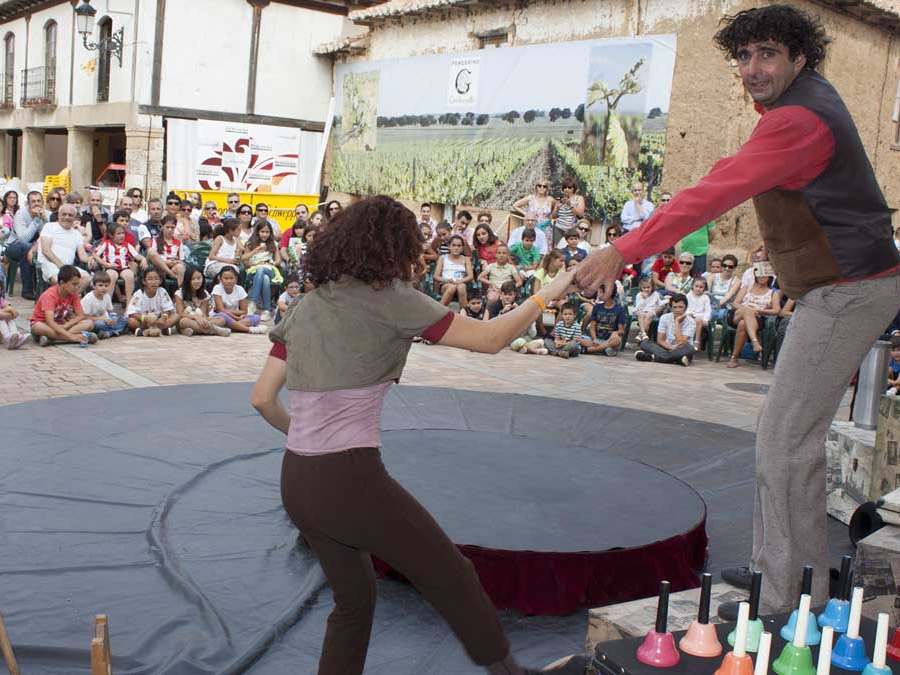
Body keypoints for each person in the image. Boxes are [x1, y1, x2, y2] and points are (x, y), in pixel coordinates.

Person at [573, 4, 900, 613]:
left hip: (849, 289)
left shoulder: (798, 120)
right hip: (838, 287)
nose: (753, 68)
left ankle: (788, 598)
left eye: (768, 54)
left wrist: (623, 249)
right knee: (784, 436)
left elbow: (713, 191)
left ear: (800, 58)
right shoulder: (797, 104)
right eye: (744, 56)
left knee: (785, 440)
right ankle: (780, 570)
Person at [249, 195, 582, 675]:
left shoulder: (305, 306)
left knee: (354, 600)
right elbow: (491, 339)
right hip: (348, 478)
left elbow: (262, 398)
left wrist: (306, 439)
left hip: (296, 479)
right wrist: (549, 291)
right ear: (392, 247)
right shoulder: (392, 300)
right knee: (453, 575)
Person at [30, 264, 97, 347]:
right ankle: (72, 338)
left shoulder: (73, 294)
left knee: (89, 323)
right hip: (45, 324)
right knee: (38, 327)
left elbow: (80, 315)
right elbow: (50, 321)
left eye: (78, 284)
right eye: (74, 284)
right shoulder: (49, 295)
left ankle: (53, 339)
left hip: (62, 324)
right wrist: (72, 337)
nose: (76, 287)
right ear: (62, 283)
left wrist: (67, 325)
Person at [726, 265, 781, 367]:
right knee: (747, 311)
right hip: (738, 315)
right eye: (759, 274)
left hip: (757, 318)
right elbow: (736, 303)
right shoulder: (747, 288)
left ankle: (734, 358)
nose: (761, 277)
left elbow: (777, 310)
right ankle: (755, 341)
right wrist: (748, 310)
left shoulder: (773, 293)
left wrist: (759, 310)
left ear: (769, 276)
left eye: (764, 274)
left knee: (743, 324)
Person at [39, 204, 92, 290]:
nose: (67, 217)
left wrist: (90, 259)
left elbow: (82, 255)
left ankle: (70, 300)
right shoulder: (49, 227)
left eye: (70, 215)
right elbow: (46, 250)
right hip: (51, 264)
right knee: (58, 280)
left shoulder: (76, 233)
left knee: (87, 278)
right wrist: (61, 266)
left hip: (68, 267)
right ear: (59, 215)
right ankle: (65, 301)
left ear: (75, 218)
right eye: (64, 214)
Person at [636, 292, 697, 365]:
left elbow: (681, 343)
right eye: (675, 307)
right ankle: (676, 359)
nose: (677, 310)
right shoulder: (664, 318)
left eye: (680, 307)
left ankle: (652, 357)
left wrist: (677, 323)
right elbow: (660, 340)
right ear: (671, 308)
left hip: (682, 349)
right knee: (645, 343)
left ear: (686, 308)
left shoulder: (691, 322)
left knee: (689, 349)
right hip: (667, 347)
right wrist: (671, 348)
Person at [5, 190, 46, 299]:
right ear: (28, 204)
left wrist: (44, 220)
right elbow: (23, 239)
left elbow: (46, 235)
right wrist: (37, 219)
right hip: (14, 246)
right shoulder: (21, 214)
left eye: (38, 201)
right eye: (33, 201)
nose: (36, 204)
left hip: (35, 245)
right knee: (27, 248)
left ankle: (44, 288)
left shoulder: (44, 214)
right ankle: (27, 291)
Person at [241, 220, 283, 321]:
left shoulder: (273, 244)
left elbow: (278, 261)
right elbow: (244, 260)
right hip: (253, 271)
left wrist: (270, 263)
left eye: (267, 232)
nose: (265, 234)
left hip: (269, 269)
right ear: (257, 232)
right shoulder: (251, 244)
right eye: (262, 232)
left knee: (262, 270)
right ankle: (266, 310)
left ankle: (252, 302)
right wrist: (255, 251)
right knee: (264, 279)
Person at [92, 222, 141, 303]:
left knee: (129, 275)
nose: (122, 235)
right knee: (111, 276)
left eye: (123, 233)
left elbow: (136, 256)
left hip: (123, 267)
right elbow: (95, 254)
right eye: (118, 234)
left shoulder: (127, 245)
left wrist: (143, 259)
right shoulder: (106, 243)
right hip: (110, 267)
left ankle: (129, 304)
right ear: (111, 235)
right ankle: (107, 304)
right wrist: (106, 264)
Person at [175, 266, 231, 337]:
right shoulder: (179, 293)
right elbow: (180, 313)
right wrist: (196, 318)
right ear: (187, 280)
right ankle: (215, 330)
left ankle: (190, 330)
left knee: (222, 320)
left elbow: (204, 314)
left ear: (203, 278)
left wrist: (203, 320)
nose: (196, 281)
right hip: (186, 319)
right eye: (193, 279)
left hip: (200, 319)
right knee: (183, 321)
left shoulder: (204, 293)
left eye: (199, 278)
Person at [211, 266, 268, 335]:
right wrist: (237, 318)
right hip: (221, 317)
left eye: (231, 278)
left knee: (256, 317)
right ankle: (250, 329)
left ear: (236, 279)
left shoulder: (240, 289)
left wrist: (235, 315)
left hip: (236, 317)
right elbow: (220, 310)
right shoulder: (217, 288)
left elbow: (244, 311)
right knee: (222, 316)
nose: (229, 281)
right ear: (220, 279)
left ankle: (231, 326)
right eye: (226, 278)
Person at [127, 266, 177, 337]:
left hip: (158, 321)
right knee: (131, 321)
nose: (153, 282)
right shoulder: (139, 294)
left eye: (156, 279)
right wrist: (144, 318)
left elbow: (168, 309)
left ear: (160, 281)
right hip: (144, 321)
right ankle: (160, 330)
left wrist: (164, 317)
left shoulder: (162, 291)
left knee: (176, 316)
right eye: (150, 279)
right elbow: (131, 313)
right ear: (144, 281)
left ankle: (144, 332)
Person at [578, 287, 627, 356]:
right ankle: (601, 349)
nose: (598, 294)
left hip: (609, 340)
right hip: (596, 340)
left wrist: (615, 333)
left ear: (608, 293)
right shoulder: (597, 307)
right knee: (578, 338)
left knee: (616, 340)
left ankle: (588, 350)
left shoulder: (619, 309)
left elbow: (622, 331)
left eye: (600, 292)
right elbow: (592, 327)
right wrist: (594, 339)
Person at [81, 271, 129, 339]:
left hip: (105, 321)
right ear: (94, 286)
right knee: (99, 324)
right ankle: (116, 331)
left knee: (123, 320)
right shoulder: (88, 299)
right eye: (100, 285)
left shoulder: (107, 296)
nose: (103, 288)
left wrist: (112, 319)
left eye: (106, 286)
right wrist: (101, 318)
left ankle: (109, 333)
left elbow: (111, 312)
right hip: (93, 322)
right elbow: (84, 318)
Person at [435, 234, 474, 309]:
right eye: (454, 245)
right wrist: (447, 280)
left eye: (459, 246)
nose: (456, 248)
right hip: (446, 285)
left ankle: (465, 312)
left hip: (460, 284)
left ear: (462, 248)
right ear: (449, 246)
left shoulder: (466, 259)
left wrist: (459, 282)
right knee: (452, 287)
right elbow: (436, 276)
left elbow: (470, 276)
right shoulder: (442, 258)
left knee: (461, 287)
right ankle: (439, 310)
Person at [147, 215, 187, 284]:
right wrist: (166, 262)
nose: (170, 230)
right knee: (150, 251)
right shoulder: (155, 240)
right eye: (167, 227)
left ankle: (180, 290)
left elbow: (181, 260)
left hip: (173, 267)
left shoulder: (178, 242)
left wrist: (175, 262)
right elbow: (152, 257)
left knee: (180, 267)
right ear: (162, 227)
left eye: (172, 227)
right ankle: (170, 273)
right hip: (159, 268)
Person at [205, 217, 243, 282]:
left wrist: (237, 259)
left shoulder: (236, 240)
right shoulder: (220, 239)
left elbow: (241, 250)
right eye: (238, 230)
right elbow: (211, 256)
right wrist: (227, 261)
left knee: (236, 269)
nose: (240, 231)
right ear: (231, 230)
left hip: (230, 266)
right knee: (231, 271)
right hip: (214, 265)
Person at [551, 177, 586, 248]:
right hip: (558, 228)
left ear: (574, 188)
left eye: (569, 187)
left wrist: (570, 204)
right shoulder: (559, 198)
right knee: (559, 249)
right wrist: (557, 207)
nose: (567, 189)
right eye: (565, 187)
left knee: (571, 248)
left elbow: (580, 213)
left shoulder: (579, 198)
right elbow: (554, 216)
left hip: (572, 229)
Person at [707, 254, 742, 321]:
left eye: (730, 267)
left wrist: (715, 307)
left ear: (734, 268)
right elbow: (707, 292)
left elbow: (727, 297)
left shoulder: (737, 281)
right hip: (710, 305)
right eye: (724, 266)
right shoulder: (713, 277)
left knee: (710, 314)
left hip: (725, 308)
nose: (726, 268)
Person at [632, 276, 664, 342]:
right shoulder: (639, 295)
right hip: (641, 310)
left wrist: (666, 300)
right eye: (644, 288)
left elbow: (660, 303)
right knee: (641, 314)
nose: (646, 289)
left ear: (652, 287)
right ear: (641, 287)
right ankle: (643, 333)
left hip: (650, 311)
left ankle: (641, 334)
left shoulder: (655, 294)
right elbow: (638, 306)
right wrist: (643, 299)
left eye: (648, 287)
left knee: (649, 315)